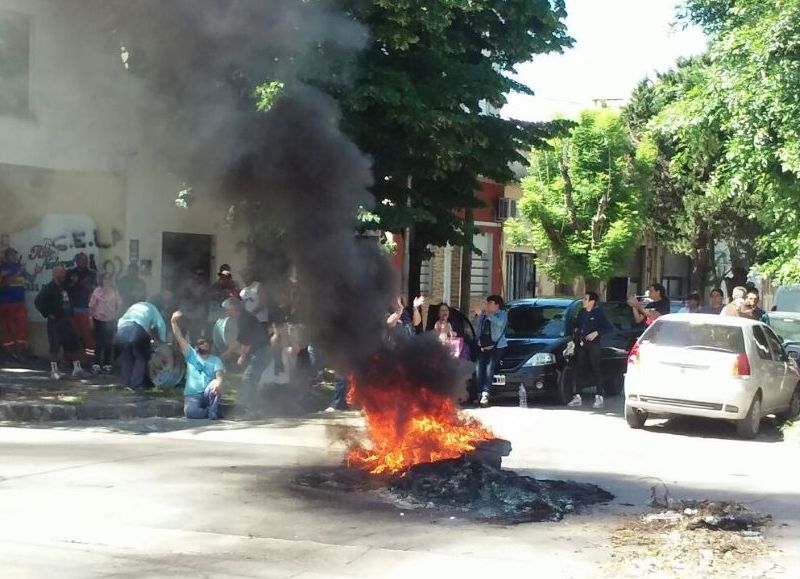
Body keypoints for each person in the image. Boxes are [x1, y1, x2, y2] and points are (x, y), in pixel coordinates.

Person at [34, 265, 89, 379]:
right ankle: (54, 371)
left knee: (73, 345)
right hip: (55, 323)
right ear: (54, 273)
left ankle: (77, 369)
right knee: (54, 346)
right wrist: (49, 313)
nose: (63, 275)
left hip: (67, 320)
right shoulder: (49, 288)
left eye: (64, 272)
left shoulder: (64, 287)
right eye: (60, 273)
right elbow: (38, 302)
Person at [171, 310, 224, 420]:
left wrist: (218, 382)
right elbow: (179, 337)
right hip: (193, 395)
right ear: (196, 346)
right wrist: (173, 322)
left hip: (207, 393)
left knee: (216, 383)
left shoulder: (215, 360)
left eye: (206, 342)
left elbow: (219, 375)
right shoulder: (191, 355)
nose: (205, 344)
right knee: (190, 413)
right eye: (201, 342)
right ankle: (209, 412)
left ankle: (212, 411)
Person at [222, 298, 270, 409]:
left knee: (248, 378)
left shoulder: (244, 318)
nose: (226, 313)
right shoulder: (243, 317)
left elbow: (246, 341)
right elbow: (240, 339)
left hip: (262, 351)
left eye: (227, 310)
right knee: (252, 379)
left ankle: (253, 409)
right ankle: (259, 408)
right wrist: (227, 353)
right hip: (262, 351)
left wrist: (242, 356)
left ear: (233, 309)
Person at [568, 292, 612, 409]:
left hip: (593, 345)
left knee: (595, 368)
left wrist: (596, 332)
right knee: (579, 368)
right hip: (581, 344)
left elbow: (608, 327)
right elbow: (576, 324)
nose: (583, 300)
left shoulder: (598, 313)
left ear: (592, 301)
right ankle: (577, 395)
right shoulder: (582, 312)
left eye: (586, 299)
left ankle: (599, 396)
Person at [115, 301, 168, 389]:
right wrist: (163, 342)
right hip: (136, 328)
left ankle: (126, 384)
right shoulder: (153, 309)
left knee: (127, 357)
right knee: (141, 357)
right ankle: (136, 385)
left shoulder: (135, 306)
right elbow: (161, 325)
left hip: (121, 329)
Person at [473, 295, 508, 407]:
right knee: (479, 368)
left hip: (497, 346)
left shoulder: (502, 314)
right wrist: (479, 316)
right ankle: (479, 393)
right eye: (487, 303)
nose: (487, 305)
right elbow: (476, 327)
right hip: (483, 346)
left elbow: (499, 324)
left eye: (490, 303)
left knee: (489, 367)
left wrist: (489, 315)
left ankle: (485, 394)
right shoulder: (483, 314)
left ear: (496, 305)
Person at [66, 252, 98, 366]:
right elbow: (66, 288)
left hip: (87, 309)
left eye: (85, 260)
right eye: (81, 260)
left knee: (88, 338)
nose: (84, 262)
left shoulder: (92, 273)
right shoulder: (71, 273)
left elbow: (96, 289)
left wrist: (88, 286)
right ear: (76, 261)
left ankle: (89, 360)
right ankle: (74, 361)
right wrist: (76, 283)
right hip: (73, 309)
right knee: (73, 336)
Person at [89, 273, 123, 373]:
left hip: (111, 320)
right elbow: (91, 306)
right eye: (105, 279)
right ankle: (96, 364)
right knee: (99, 342)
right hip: (98, 320)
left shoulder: (115, 292)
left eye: (108, 279)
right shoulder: (97, 291)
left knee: (109, 343)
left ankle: (107, 364)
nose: (107, 281)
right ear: (101, 280)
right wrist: (90, 319)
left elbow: (119, 304)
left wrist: (117, 316)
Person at [0, 248, 29, 361]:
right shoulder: (3, 268)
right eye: (11, 255)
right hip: (7, 302)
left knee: (22, 326)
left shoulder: (19, 266)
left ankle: (21, 351)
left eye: (15, 254)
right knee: (8, 328)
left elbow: (29, 279)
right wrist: (18, 272)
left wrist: (36, 272)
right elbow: (5, 283)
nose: (14, 257)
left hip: (20, 302)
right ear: (6, 256)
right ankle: (9, 353)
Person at [178, 268, 210, 342]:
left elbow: (206, 299)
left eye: (202, 275)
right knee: (180, 338)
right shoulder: (186, 283)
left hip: (197, 317)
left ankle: (195, 353)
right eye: (198, 275)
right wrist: (187, 288)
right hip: (184, 314)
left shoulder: (205, 286)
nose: (199, 277)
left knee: (196, 339)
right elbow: (179, 294)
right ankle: (178, 353)